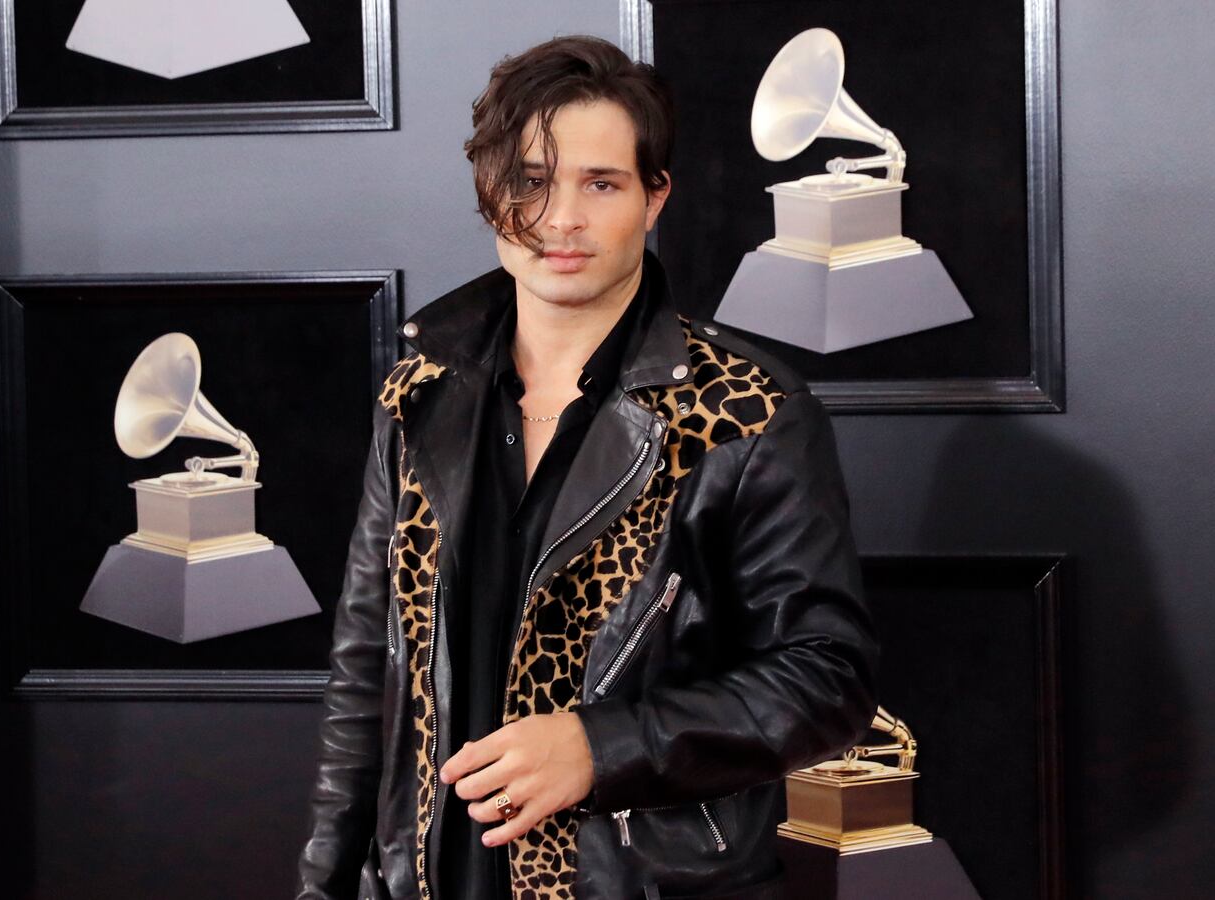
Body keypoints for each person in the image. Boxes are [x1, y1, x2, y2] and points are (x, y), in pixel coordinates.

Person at [295, 34, 879, 900]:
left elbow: (827, 677)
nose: (560, 217)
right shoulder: (417, 395)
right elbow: (365, 675)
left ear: (654, 198)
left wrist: (601, 746)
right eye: (530, 180)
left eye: (599, 183)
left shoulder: (750, 413)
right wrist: (326, 884)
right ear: (490, 194)